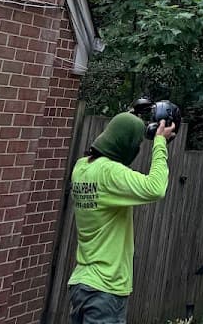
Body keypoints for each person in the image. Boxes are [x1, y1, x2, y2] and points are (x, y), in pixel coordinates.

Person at [67, 110, 176, 323]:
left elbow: (113, 146)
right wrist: (160, 143)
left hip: (81, 285)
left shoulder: (81, 168)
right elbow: (156, 189)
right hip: (105, 288)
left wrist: (130, 115)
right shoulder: (109, 174)